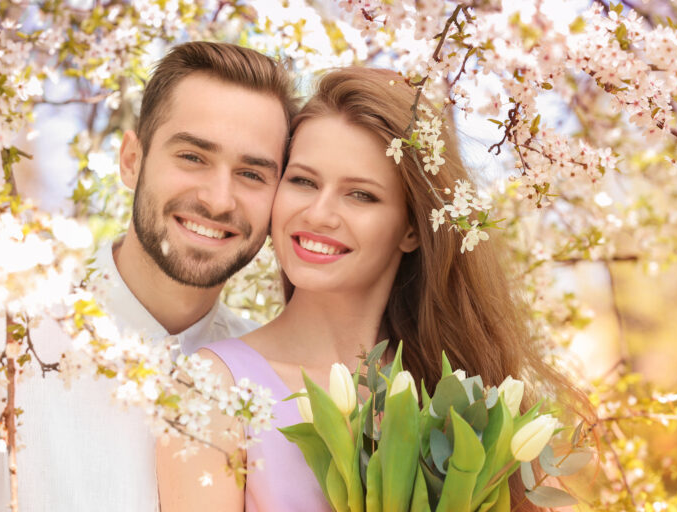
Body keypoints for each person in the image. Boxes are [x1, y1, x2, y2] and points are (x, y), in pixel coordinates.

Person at [157, 67, 585, 511]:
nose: (319, 214)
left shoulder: (461, 398)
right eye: (303, 181)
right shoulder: (212, 388)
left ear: (412, 230)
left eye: (360, 195)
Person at [0, 41, 298, 511]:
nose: (219, 200)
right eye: (192, 157)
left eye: (252, 174)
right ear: (131, 161)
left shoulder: (271, 386)